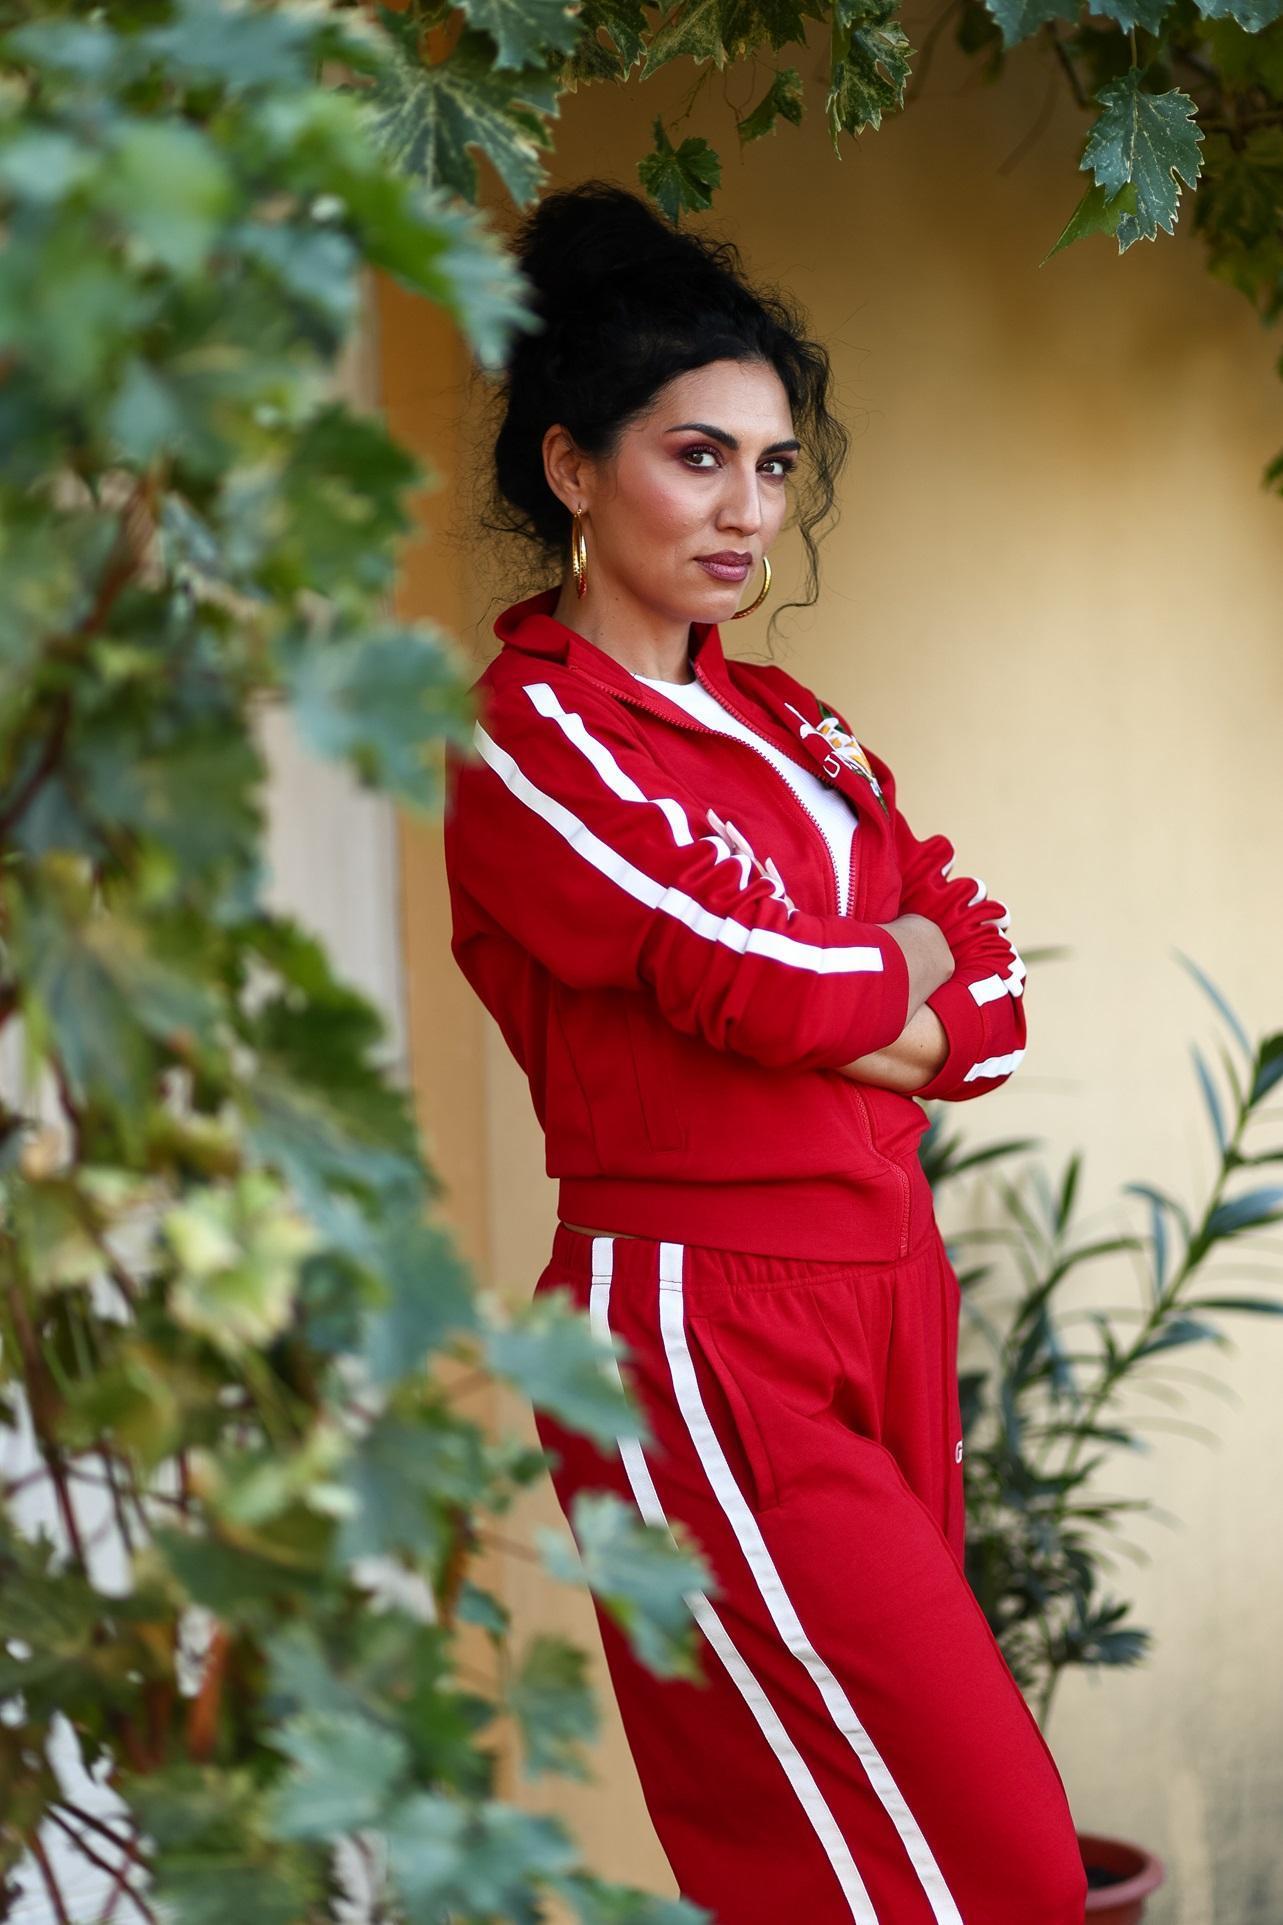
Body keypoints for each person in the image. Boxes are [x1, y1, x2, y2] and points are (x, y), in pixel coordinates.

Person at [442, 179, 1088, 1925]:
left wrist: (875, 990)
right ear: (574, 467)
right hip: (696, 1320)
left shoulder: (798, 728)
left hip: (884, 1289)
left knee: (891, 1865)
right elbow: (761, 981)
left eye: (774, 465)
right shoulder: (531, 739)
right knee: (979, 1868)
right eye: (697, 456)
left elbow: (989, 982)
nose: (747, 509)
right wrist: (880, 981)